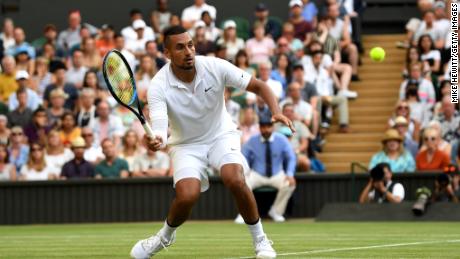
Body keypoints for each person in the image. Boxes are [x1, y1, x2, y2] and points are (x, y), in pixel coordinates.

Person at [130, 25, 295, 259]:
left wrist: (276, 111)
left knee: (235, 178)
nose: (188, 51)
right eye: (180, 47)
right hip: (186, 144)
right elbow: (160, 129)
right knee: (187, 196)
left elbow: (259, 86)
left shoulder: (214, 66)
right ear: (167, 54)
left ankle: (260, 240)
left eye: (190, 45)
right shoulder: (158, 86)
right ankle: (164, 237)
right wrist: (156, 140)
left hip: (220, 134)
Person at [236, 116, 297, 224]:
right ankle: (244, 214)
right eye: (263, 127)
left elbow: (291, 157)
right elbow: (242, 157)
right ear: (259, 127)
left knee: (290, 183)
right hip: (257, 174)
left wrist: (290, 174)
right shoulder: (252, 141)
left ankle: (276, 212)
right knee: (242, 184)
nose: (266, 129)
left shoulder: (282, 140)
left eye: (268, 126)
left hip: (276, 174)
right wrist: (244, 172)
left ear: (273, 127)